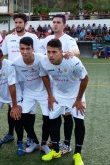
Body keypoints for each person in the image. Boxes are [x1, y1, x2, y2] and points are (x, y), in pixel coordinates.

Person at [40, 39, 88, 165]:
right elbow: (44, 75)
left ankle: (77, 154)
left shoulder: (73, 62)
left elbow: (85, 79)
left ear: (62, 52)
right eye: (48, 52)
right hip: (57, 95)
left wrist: (79, 100)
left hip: (75, 95)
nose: (50, 55)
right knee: (52, 119)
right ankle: (55, 150)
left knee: (79, 121)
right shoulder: (44, 61)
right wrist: (50, 95)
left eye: (54, 52)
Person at [0, 13, 42, 145]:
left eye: (20, 22)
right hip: (14, 78)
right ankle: (10, 132)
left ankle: (30, 136)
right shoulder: (8, 38)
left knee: (30, 109)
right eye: (16, 22)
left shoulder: (32, 37)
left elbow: (40, 55)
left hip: (29, 77)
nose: (17, 25)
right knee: (12, 105)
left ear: (25, 24)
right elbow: (2, 54)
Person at [41, 14, 80, 154]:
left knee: (67, 113)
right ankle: (54, 141)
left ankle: (67, 143)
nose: (55, 24)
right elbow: (42, 55)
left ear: (64, 25)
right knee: (53, 113)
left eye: (58, 22)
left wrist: (70, 53)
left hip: (66, 82)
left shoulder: (68, 39)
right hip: (53, 82)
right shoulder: (47, 40)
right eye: (54, 22)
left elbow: (77, 51)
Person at [12, 37, 51, 155]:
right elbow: (15, 82)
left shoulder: (42, 59)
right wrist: (17, 103)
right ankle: (34, 141)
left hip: (43, 92)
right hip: (28, 92)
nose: (25, 52)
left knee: (48, 118)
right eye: (22, 49)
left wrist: (67, 54)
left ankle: (44, 144)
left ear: (33, 48)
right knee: (22, 117)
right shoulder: (16, 63)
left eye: (27, 48)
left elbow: (56, 62)